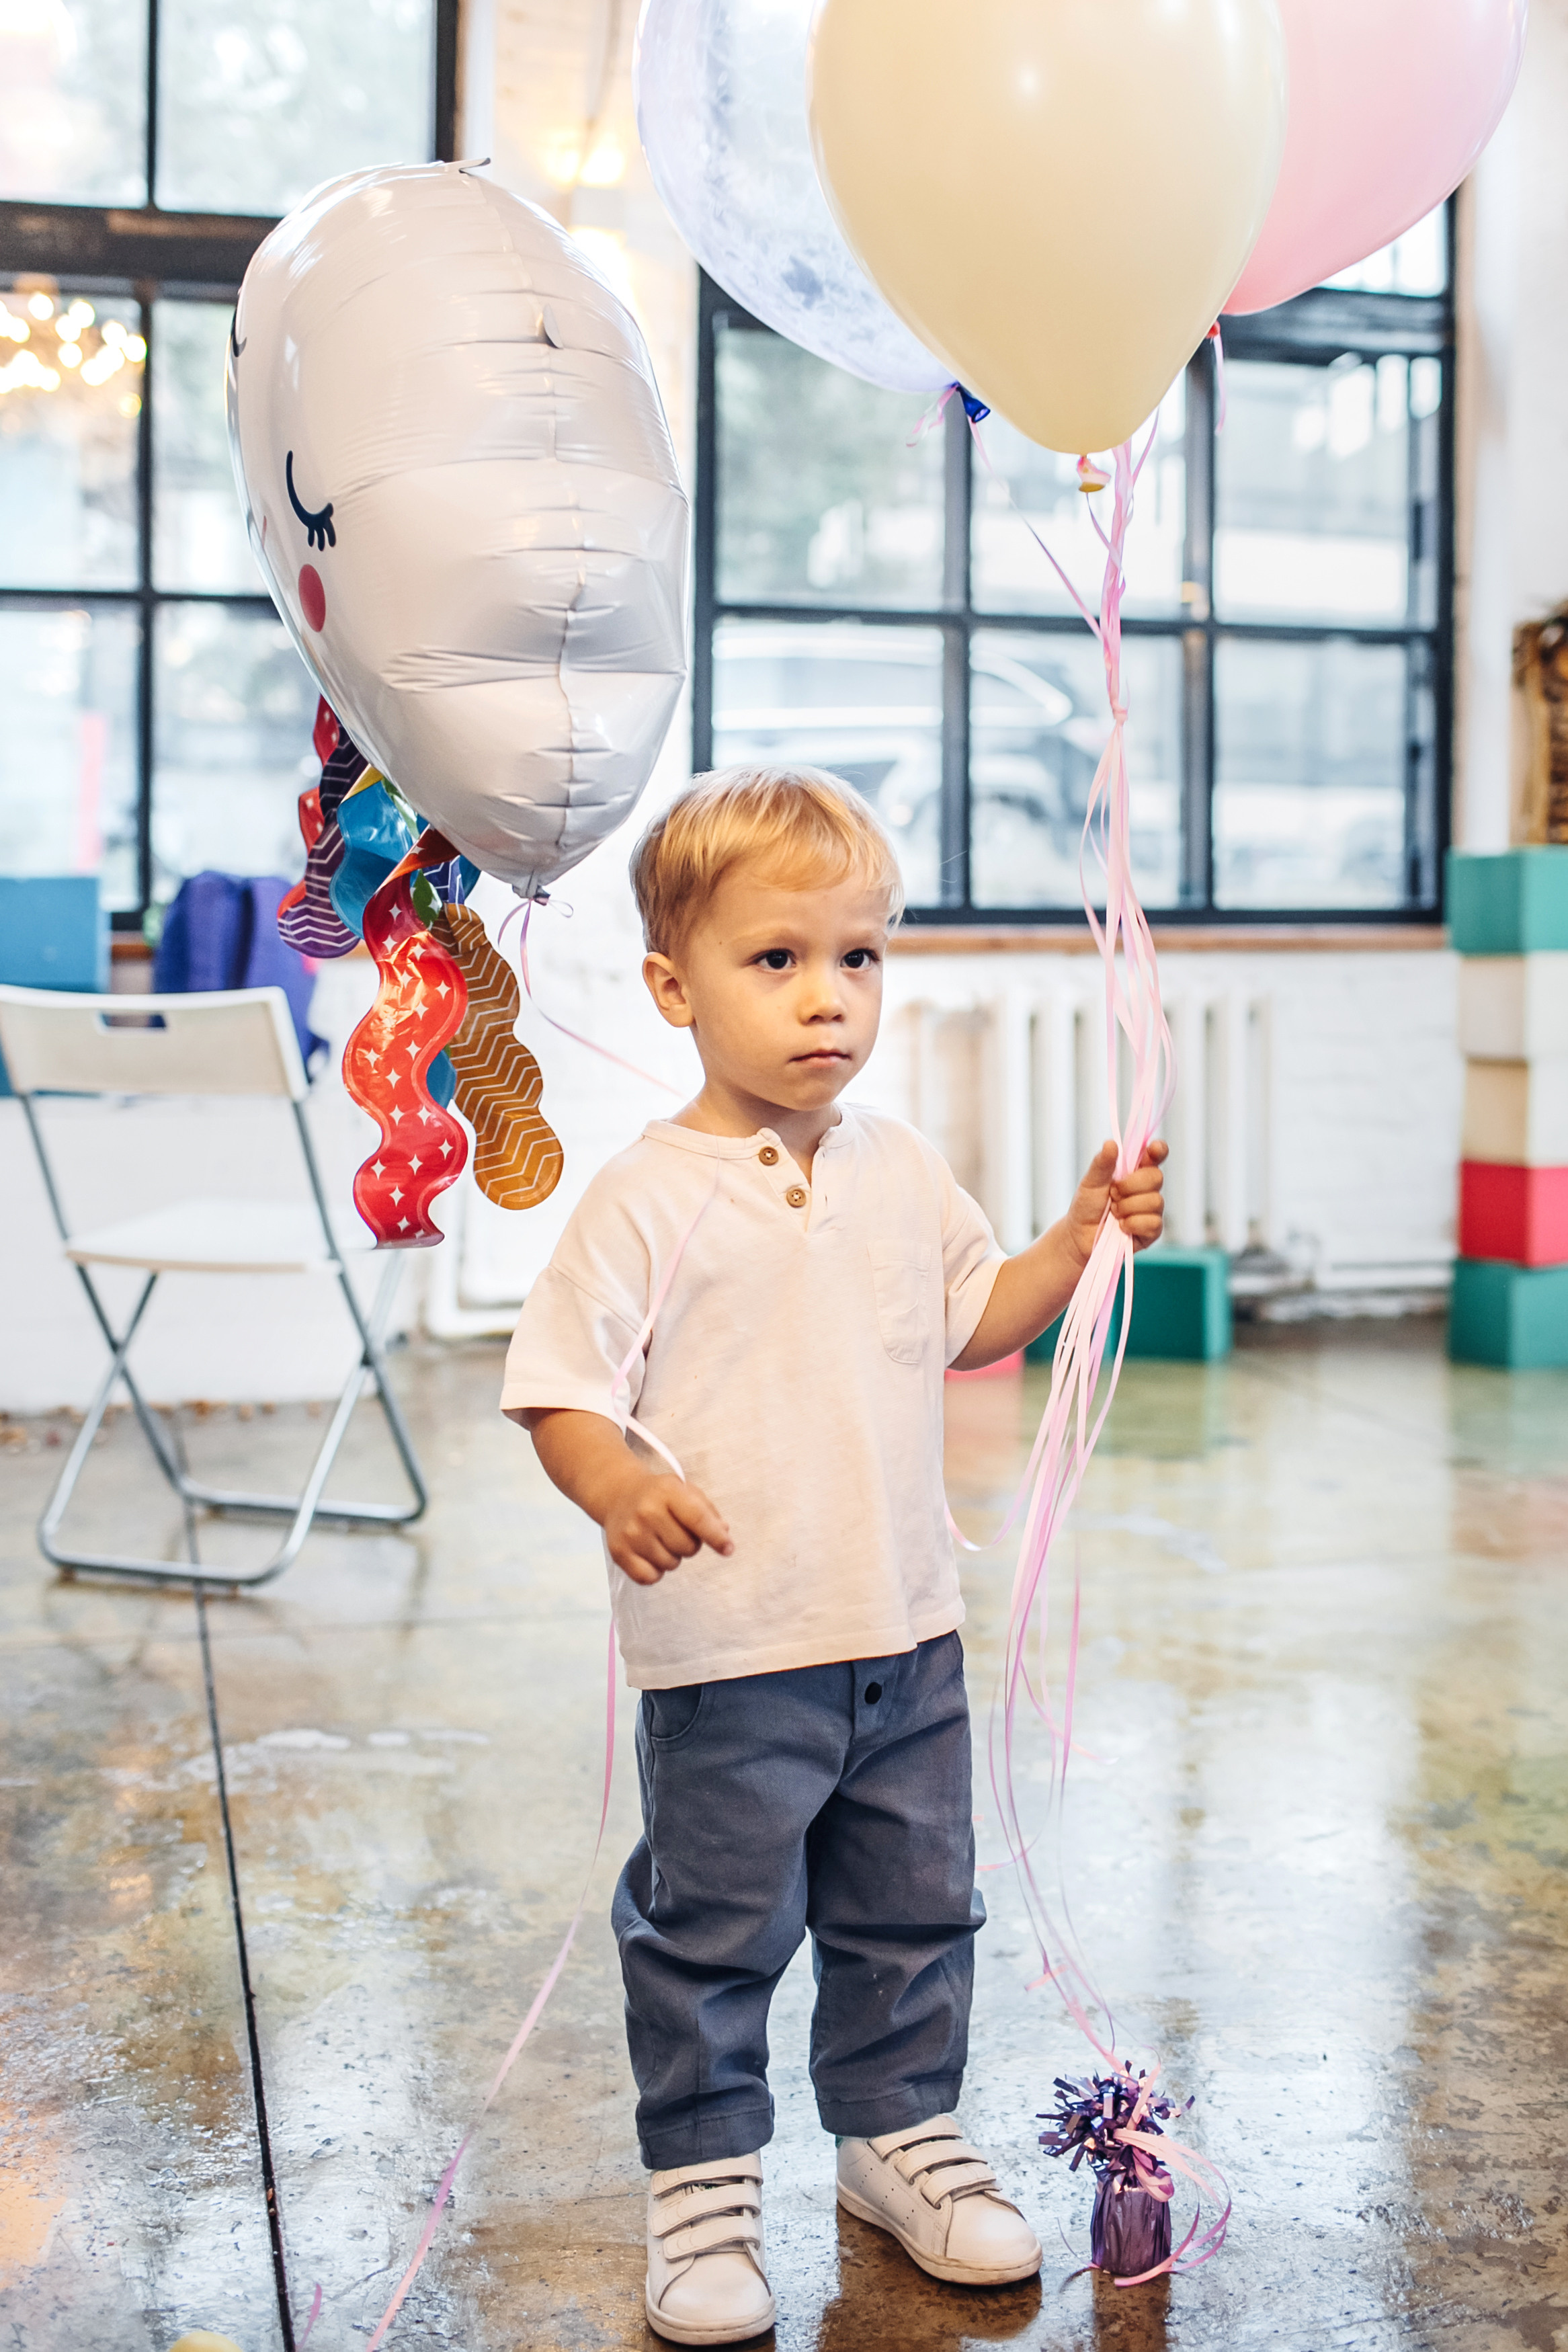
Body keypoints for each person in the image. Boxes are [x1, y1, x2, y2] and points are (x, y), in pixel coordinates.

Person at [502, 766, 1167, 2346]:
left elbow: (976, 1321)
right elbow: (559, 1388)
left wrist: (1076, 1240)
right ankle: (705, 2178)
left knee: (914, 1912)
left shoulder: (900, 1166)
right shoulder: (644, 1197)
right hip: (733, 1653)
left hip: (905, 1637)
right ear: (675, 987)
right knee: (712, 1932)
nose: (829, 997)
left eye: (858, 956)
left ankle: (897, 2134)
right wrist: (615, 1482)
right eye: (777, 958)